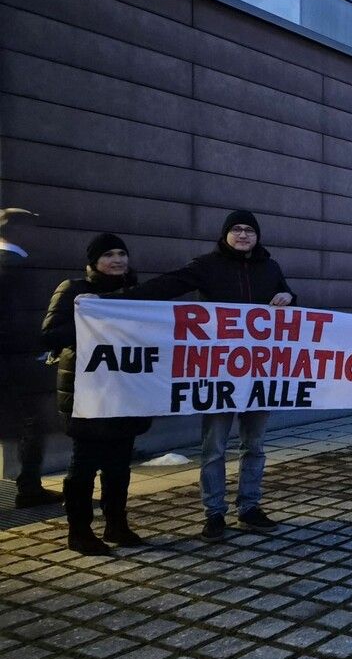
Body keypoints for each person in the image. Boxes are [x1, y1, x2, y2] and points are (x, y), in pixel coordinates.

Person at [101, 211, 295, 541]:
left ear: (257, 236)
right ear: (225, 235)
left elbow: (286, 295)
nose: (244, 235)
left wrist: (290, 297)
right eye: (237, 229)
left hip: (260, 373)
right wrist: (115, 303)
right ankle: (214, 513)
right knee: (215, 447)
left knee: (255, 445)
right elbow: (167, 285)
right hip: (219, 372)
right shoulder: (207, 265)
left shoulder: (270, 267)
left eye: (250, 230)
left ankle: (249, 507)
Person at [42, 234, 151, 555]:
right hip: (86, 393)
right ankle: (79, 531)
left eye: (121, 253)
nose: (117, 259)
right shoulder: (73, 291)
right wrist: (94, 320)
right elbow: (49, 335)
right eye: (108, 254)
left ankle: (117, 524)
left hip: (126, 391)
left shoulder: (136, 294)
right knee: (85, 463)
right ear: (93, 262)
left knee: (119, 463)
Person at [0, 208, 57, 508]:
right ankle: (29, 488)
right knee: (32, 424)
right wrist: (39, 349)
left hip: (11, 361)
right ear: (20, 231)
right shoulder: (16, 266)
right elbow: (19, 320)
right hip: (18, 364)